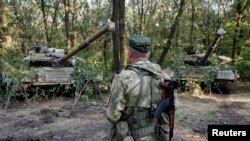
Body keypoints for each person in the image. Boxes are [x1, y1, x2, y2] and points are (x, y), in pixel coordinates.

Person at [105, 35, 172, 141]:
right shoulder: (164, 77)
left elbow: (113, 116)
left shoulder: (123, 78)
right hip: (157, 136)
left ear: (129, 52)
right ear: (148, 53)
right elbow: (173, 106)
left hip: (131, 136)